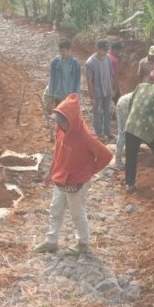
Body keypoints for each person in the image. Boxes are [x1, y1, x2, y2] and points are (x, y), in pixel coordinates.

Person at [34, 95, 112, 255]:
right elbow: (58, 151)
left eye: (63, 121)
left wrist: (89, 171)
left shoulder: (86, 136)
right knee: (55, 210)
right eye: (58, 121)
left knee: (77, 213)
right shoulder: (61, 129)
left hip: (76, 182)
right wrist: (51, 172)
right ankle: (51, 241)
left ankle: (83, 243)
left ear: (73, 119)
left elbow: (106, 155)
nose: (60, 124)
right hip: (60, 178)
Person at [85, 39, 115, 139]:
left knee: (108, 112)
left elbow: (111, 75)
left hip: (107, 91)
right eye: (104, 50)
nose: (106, 52)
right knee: (97, 113)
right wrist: (91, 97)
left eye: (107, 50)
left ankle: (107, 131)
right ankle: (99, 133)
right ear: (97, 48)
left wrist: (112, 88)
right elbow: (89, 81)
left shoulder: (108, 59)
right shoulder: (90, 62)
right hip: (97, 93)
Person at [46, 38, 82, 108]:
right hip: (58, 95)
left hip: (69, 96)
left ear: (69, 50)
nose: (62, 53)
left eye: (63, 51)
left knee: (68, 116)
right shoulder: (55, 62)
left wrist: (76, 95)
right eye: (60, 51)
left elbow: (78, 81)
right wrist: (51, 94)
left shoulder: (75, 64)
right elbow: (52, 79)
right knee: (59, 115)